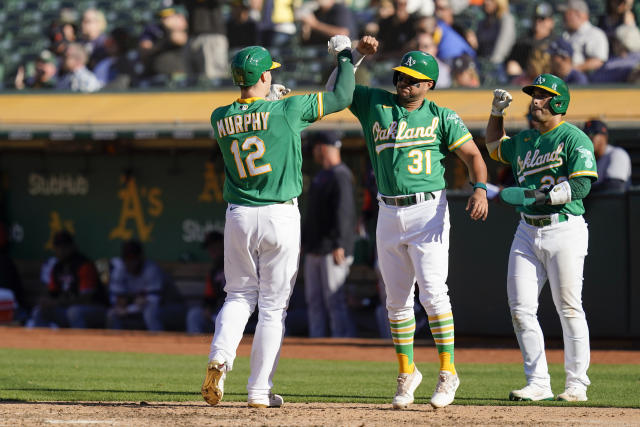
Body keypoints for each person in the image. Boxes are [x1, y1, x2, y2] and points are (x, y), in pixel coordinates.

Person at [328, 35, 488, 409]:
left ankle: (448, 371)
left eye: (413, 79)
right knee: (396, 301)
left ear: (429, 84)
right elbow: (336, 89)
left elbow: (473, 156)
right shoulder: (374, 103)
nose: (404, 83)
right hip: (388, 210)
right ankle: (407, 372)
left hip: (427, 209)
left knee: (433, 293)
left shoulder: (441, 116)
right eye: (401, 76)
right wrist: (358, 57)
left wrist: (480, 189)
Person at [200, 40, 355, 408]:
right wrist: (346, 55)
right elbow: (342, 94)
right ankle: (257, 391)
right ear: (265, 75)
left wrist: (270, 100)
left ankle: (220, 357)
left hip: (239, 214)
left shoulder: (219, 116)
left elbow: (252, 115)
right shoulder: (288, 108)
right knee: (272, 307)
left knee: (238, 295)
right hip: (279, 214)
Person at [485, 73, 598, 402]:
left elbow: (582, 186)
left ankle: (577, 384)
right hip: (527, 229)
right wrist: (496, 112)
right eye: (534, 94)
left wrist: (538, 196)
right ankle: (538, 382)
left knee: (569, 307)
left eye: (543, 95)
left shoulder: (574, 138)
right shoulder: (523, 141)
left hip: (564, 226)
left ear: (559, 102)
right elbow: (493, 147)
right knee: (520, 308)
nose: (535, 100)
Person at [302, 130, 357, 338]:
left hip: (332, 249)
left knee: (335, 301)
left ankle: (341, 344)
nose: (313, 151)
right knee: (314, 301)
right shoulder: (322, 175)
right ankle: (317, 346)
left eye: (315, 147)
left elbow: (345, 212)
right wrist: (305, 242)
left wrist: (340, 243)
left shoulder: (340, 174)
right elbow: (312, 215)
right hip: (316, 248)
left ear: (322, 147)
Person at [29, 230, 107, 328]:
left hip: (95, 308)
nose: (61, 250)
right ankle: (41, 342)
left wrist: (57, 302)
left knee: (74, 312)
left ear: (72, 247)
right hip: (66, 309)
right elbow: (52, 293)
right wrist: (46, 301)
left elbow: (86, 298)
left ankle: (79, 342)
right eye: (58, 247)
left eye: (64, 247)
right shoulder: (57, 267)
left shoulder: (84, 265)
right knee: (40, 311)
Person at [107, 239, 184, 331]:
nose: (130, 262)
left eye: (133, 259)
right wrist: (126, 305)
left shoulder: (151, 270)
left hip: (170, 308)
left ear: (140, 257)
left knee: (150, 312)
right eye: (127, 258)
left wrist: (128, 309)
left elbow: (153, 302)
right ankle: (116, 344)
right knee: (112, 314)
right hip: (138, 309)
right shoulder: (120, 269)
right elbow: (117, 301)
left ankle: (158, 343)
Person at [186, 230, 226, 334]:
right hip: (219, 311)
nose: (211, 250)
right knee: (194, 315)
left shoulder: (238, 263)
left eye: (214, 246)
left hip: (238, 310)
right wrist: (208, 308)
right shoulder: (214, 271)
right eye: (209, 248)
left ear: (223, 244)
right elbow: (209, 296)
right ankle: (195, 348)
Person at [506, 2, 556, 79]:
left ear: (551, 22)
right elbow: (511, 62)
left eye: (542, 19)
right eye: (536, 18)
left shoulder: (557, 43)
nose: (538, 22)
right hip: (526, 81)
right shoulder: (522, 42)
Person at [583, 119, 632, 193]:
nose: (588, 138)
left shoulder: (617, 154)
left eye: (592, 134)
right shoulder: (587, 158)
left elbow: (614, 187)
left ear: (604, 137)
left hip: (618, 204)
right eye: (585, 135)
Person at [560, 0, 609, 73]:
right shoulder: (566, 35)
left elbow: (598, 62)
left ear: (578, 14)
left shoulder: (594, 34)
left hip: (584, 82)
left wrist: (571, 70)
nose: (563, 17)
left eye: (566, 13)